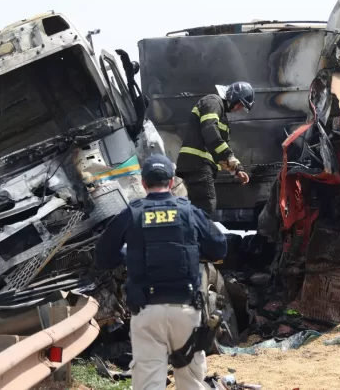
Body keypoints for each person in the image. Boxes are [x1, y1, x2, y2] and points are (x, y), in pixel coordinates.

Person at [94, 154, 227, 390]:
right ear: (172, 181)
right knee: (191, 380)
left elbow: (102, 256)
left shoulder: (132, 213)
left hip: (147, 312)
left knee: (148, 381)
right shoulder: (189, 212)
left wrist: (127, 257)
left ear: (143, 183)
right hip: (186, 310)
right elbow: (219, 247)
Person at [176, 81, 254, 217]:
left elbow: (221, 149)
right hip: (198, 164)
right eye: (240, 104)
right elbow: (210, 131)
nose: (238, 109)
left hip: (200, 166)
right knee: (206, 207)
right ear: (233, 97)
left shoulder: (222, 117)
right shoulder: (213, 102)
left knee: (200, 208)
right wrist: (231, 160)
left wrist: (237, 170)